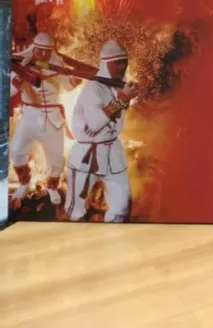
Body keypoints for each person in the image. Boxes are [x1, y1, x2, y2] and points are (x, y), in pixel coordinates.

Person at [65, 40, 134, 223]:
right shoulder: (93, 89)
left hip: (112, 151)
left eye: (124, 62)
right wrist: (121, 100)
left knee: (121, 207)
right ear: (106, 63)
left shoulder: (117, 85)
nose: (122, 67)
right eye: (117, 63)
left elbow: (120, 111)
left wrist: (124, 98)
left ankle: (115, 238)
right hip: (86, 153)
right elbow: (95, 124)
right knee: (75, 210)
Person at [9, 32, 80, 207]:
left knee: (56, 159)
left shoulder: (57, 65)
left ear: (51, 51)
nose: (43, 54)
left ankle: (52, 187)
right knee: (16, 150)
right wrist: (19, 81)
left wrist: (75, 77)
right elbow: (9, 91)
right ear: (33, 49)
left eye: (46, 51)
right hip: (29, 115)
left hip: (52, 117)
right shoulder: (20, 65)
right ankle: (24, 183)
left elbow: (69, 86)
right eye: (39, 50)